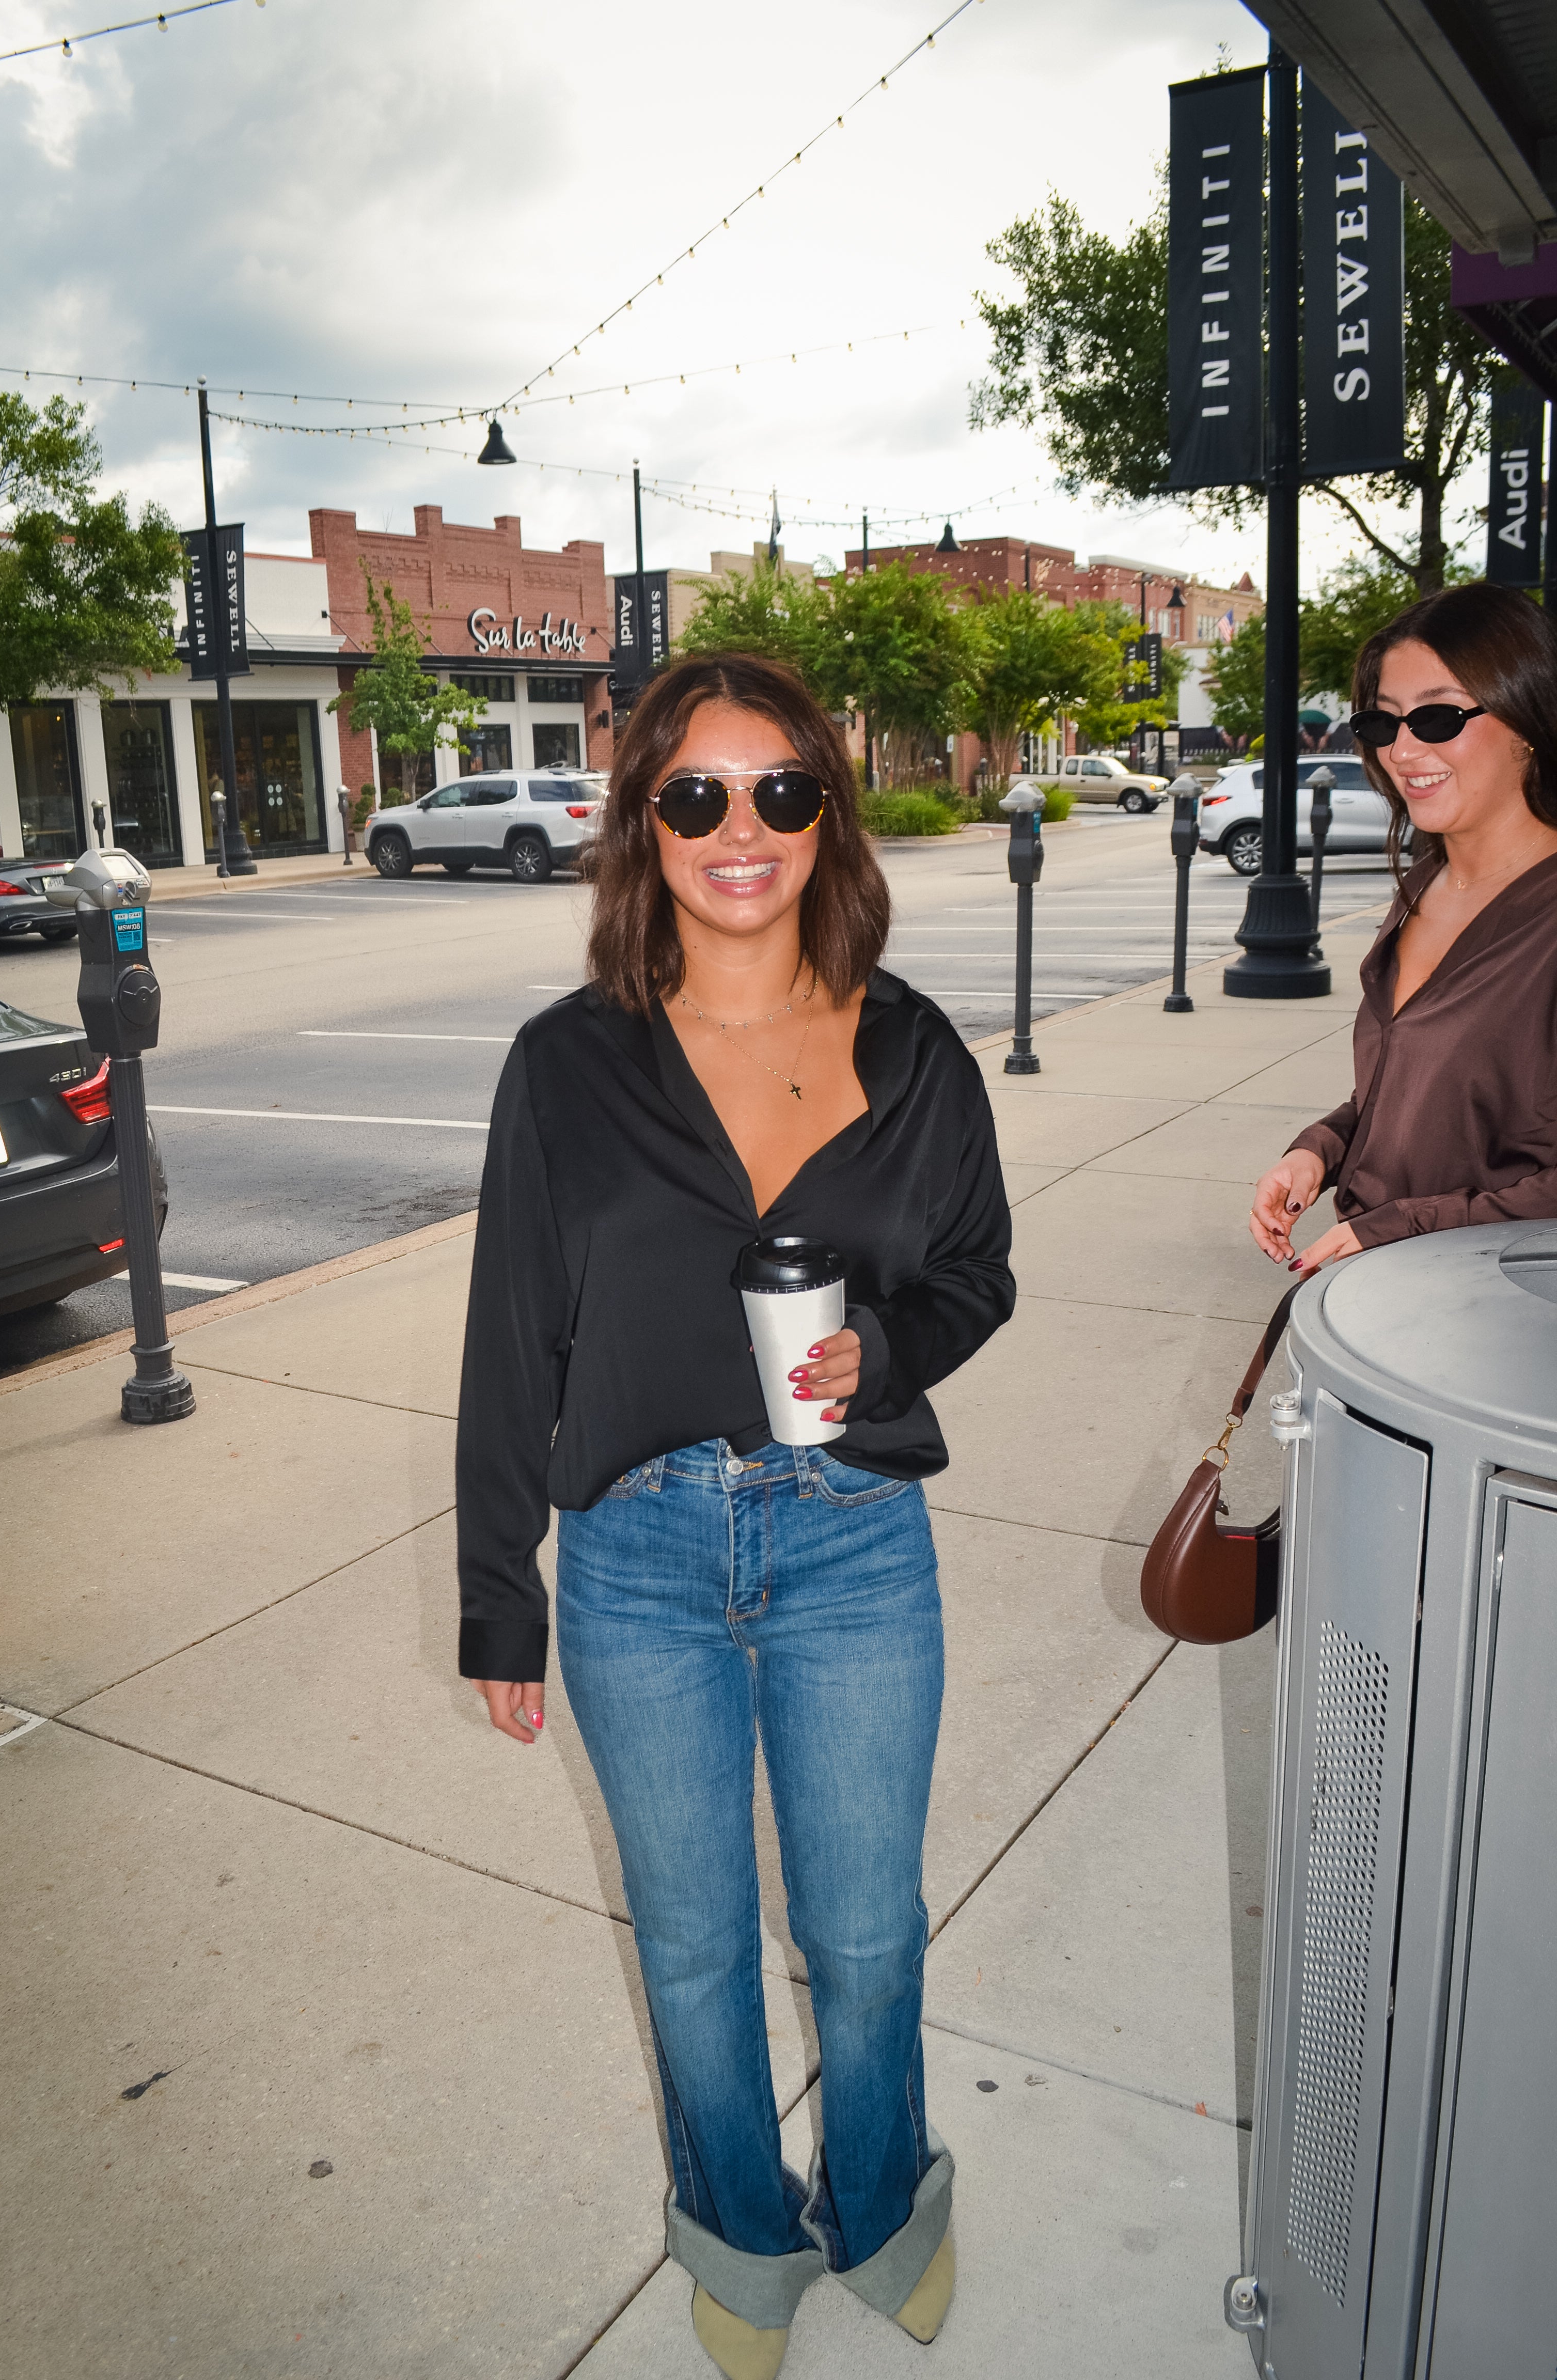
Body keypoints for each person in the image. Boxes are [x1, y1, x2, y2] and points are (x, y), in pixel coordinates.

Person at [455, 652, 1015, 2378]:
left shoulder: (913, 1045)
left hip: (851, 1536)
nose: (739, 826)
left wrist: (885, 1345)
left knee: (862, 1929)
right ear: (644, 826)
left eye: (780, 787)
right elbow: (511, 1331)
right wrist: (502, 1594)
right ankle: (739, 2235)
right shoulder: (569, 1064)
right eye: (694, 794)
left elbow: (981, 1274)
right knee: (693, 1935)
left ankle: (883, 2201)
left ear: (827, 812)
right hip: (639, 1547)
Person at [1250, 582, 1557, 1275]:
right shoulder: (1424, 884)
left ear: (1530, 719)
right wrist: (1319, 1150)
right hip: (1383, 1303)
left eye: (1439, 718)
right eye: (1384, 724)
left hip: (1503, 1330)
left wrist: (1404, 1224)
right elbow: (1411, 1092)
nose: (1403, 751)